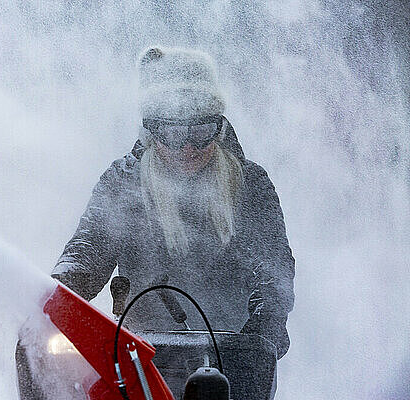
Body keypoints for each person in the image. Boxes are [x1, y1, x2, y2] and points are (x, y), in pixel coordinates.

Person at [51, 46, 295, 360]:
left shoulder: (250, 185)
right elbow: (90, 246)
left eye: (201, 131)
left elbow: (272, 263)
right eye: (174, 134)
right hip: (141, 357)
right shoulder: (124, 181)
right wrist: (62, 296)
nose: (188, 148)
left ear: (218, 127)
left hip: (232, 353)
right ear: (152, 132)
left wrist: (268, 321)